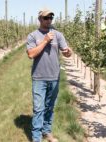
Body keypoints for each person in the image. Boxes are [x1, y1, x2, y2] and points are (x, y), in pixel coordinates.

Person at [26, 8, 72, 142]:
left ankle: (47, 131)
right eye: (46, 18)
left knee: (50, 107)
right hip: (39, 77)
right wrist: (45, 40)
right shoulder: (33, 36)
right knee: (39, 108)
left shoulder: (58, 34)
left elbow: (66, 52)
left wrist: (68, 52)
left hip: (54, 76)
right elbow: (31, 54)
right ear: (40, 19)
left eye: (51, 17)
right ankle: (36, 137)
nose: (49, 20)